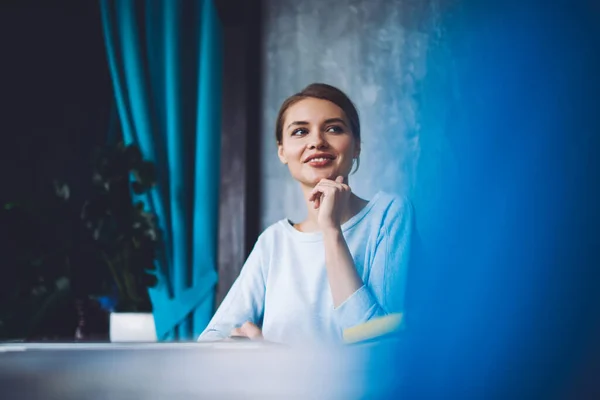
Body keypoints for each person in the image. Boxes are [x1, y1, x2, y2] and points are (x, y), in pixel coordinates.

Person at [198, 83, 417, 345]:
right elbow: (210, 340)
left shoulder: (389, 216)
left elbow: (378, 343)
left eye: (334, 128)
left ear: (357, 146)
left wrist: (331, 230)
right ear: (282, 152)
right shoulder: (273, 242)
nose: (316, 142)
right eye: (300, 131)